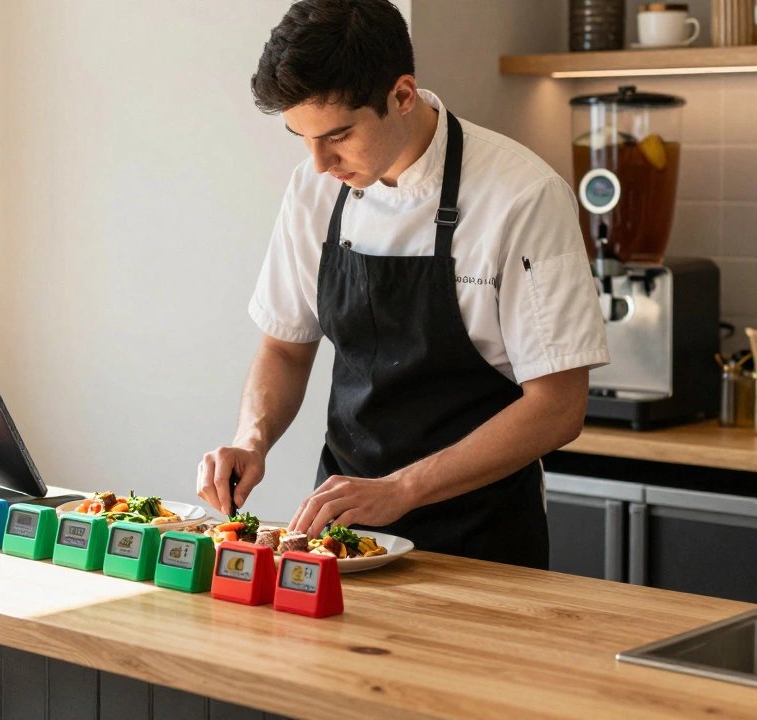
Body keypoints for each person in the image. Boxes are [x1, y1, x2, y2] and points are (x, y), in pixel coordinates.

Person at [196, 0, 608, 568]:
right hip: (345, 539)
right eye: (302, 137)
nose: (319, 163)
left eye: (338, 135)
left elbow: (559, 408)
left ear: (403, 94)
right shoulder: (315, 189)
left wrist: (401, 489)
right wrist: (251, 439)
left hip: (482, 541)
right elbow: (285, 348)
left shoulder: (523, 196)